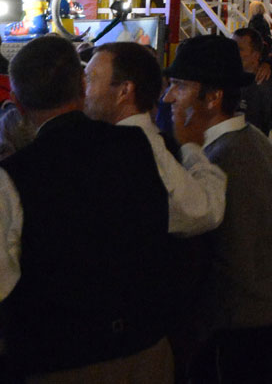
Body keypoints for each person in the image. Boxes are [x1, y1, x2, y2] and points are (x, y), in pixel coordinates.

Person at [0, 35, 173, 381]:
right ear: (82, 87)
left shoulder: (15, 176)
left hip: (59, 360)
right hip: (147, 349)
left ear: (18, 103)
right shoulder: (137, 145)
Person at [164, 35, 272, 382]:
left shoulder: (222, 158)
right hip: (271, 318)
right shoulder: (251, 138)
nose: (168, 97)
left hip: (242, 328)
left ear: (212, 97)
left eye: (179, 86)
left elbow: (220, 263)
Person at [83, 40, 226, 235]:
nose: (83, 89)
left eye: (91, 79)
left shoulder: (141, 149)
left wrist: (191, 148)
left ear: (124, 90)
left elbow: (205, 210)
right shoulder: (134, 143)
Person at [234, 28, 272, 170]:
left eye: (240, 49)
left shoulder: (271, 88)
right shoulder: (231, 81)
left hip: (256, 172)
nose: (232, 54)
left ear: (256, 55)